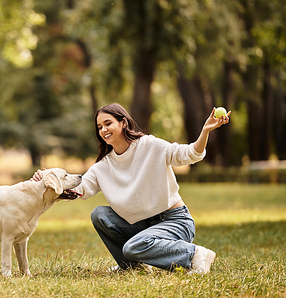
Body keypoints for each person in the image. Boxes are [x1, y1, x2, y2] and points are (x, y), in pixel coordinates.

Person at [31, 103, 231, 274]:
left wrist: (205, 131)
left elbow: (189, 154)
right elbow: (79, 189)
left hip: (174, 221)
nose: (103, 130)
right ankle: (133, 267)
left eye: (108, 123)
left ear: (123, 122)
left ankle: (196, 255)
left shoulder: (149, 145)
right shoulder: (103, 166)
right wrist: (49, 180)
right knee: (99, 214)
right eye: (99, 126)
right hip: (143, 226)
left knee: (133, 246)